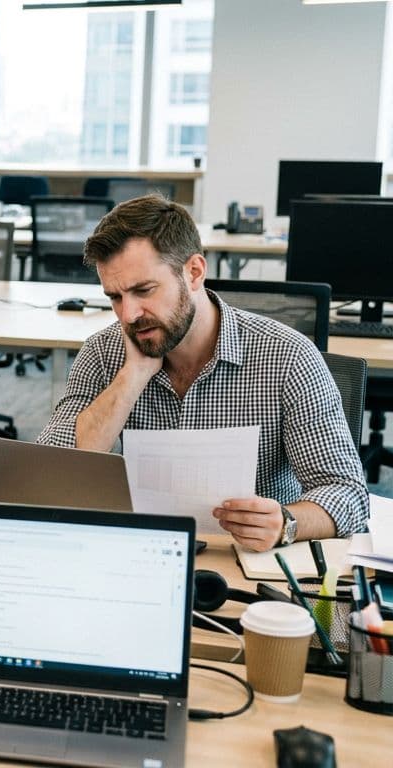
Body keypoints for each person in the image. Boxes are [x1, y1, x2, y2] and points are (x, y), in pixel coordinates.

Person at [38, 195, 368, 551]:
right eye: (115, 297)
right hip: (136, 557)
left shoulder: (288, 356)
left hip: (246, 565)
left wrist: (286, 522)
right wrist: (132, 375)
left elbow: (348, 493)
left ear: (194, 272)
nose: (129, 314)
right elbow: (52, 476)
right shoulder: (103, 352)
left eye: (143, 290)